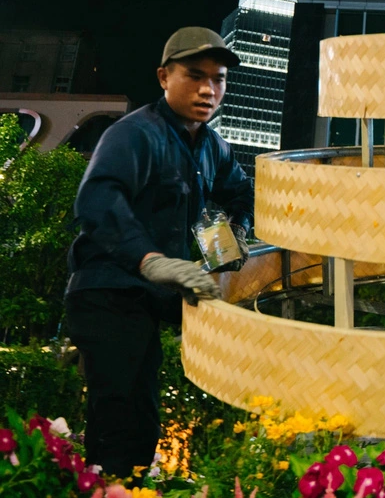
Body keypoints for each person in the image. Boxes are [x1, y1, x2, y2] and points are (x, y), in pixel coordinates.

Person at [65, 27, 254, 480]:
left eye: (219, 78)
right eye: (195, 75)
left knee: (143, 417)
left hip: (153, 297)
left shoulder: (212, 147)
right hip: (108, 290)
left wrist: (237, 232)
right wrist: (151, 260)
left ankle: (123, 485)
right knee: (121, 414)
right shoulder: (133, 134)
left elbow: (244, 194)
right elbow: (97, 201)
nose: (209, 89)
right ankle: (110, 487)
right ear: (163, 77)